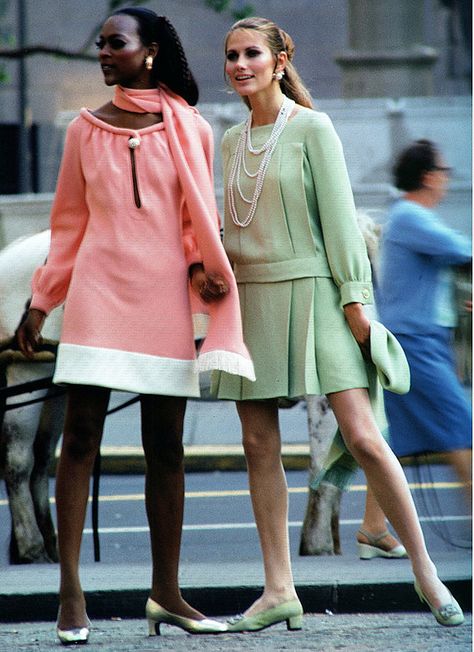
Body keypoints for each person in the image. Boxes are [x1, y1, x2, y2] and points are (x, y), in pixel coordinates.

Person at [215, 16, 464, 631]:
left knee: (362, 433)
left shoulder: (313, 128)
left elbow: (342, 222)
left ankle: (426, 572)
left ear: (279, 62)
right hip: (251, 299)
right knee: (257, 444)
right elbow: (234, 227)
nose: (240, 64)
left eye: (252, 54)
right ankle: (279, 590)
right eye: (231, 55)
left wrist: (356, 304)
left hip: (321, 295)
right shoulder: (228, 141)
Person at [17, 6, 255, 644]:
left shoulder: (191, 128)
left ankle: (167, 593)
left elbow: (193, 216)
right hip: (97, 293)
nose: (102, 52)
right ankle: (70, 594)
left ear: (148, 52)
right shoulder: (82, 131)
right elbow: (68, 227)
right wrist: (42, 301)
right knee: (80, 438)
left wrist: (204, 266)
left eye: (114, 43)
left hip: (160, 298)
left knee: (166, 446)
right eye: (100, 43)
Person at [377, 139, 472, 506]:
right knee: (459, 421)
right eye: (445, 172)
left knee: (398, 439)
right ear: (430, 177)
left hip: (417, 340)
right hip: (416, 344)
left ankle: (373, 527)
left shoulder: (406, 216)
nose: (447, 180)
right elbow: (464, 253)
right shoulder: (411, 217)